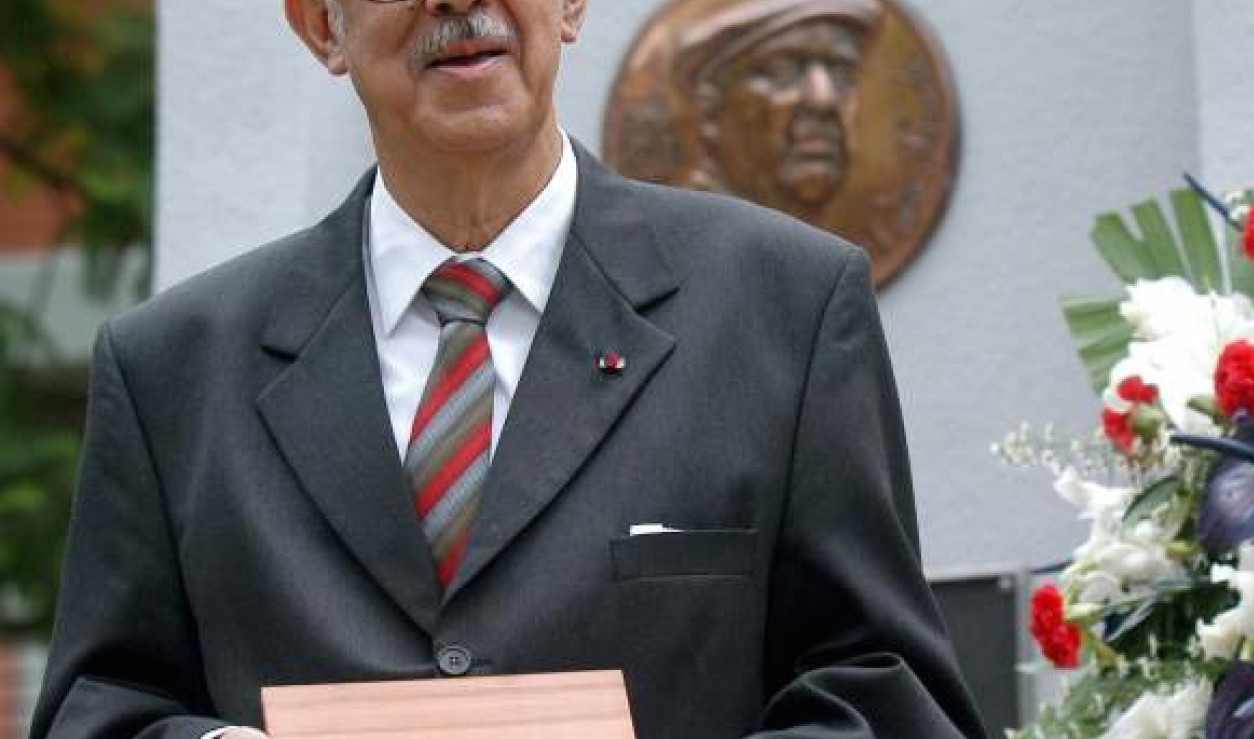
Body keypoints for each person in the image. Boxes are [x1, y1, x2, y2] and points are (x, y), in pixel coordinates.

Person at [28, 0, 985, 737]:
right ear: (321, 23)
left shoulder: (787, 307)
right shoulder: (171, 368)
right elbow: (98, 708)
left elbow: (888, 694)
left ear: (571, 4)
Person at [674, 0, 880, 225]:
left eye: (842, 75)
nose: (824, 99)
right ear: (709, 110)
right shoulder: (677, 235)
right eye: (781, 72)